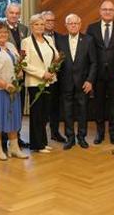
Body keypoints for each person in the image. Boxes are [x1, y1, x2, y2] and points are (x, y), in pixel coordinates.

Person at [0, 20, 29, 160]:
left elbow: (17, 63)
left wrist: (19, 71)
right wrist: (5, 85)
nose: (2, 35)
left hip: (13, 89)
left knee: (12, 117)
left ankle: (14, 148)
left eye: (5, 32)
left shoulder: (11, 46)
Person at [86, 0, 114, 144]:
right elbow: (88, 52)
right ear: (100, 11)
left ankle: (113, 133)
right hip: (97, 74)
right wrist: (89, 75)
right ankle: (100, 133)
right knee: (98, 105)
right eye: (105, 9)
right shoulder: (92, 28)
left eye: (110, 9)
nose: (107, 12)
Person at [55, 14, 97, 150]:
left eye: (76, 23)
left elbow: (94, 63)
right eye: (70, 23)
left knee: (83, 111)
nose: (73, 25)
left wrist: (90, 80)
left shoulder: (89, 40)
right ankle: (70, 138)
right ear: (66, 25)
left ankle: (82, 137)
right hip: (65, 82)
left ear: (80, 25)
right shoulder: (59, 40)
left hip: (83, 83)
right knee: (67, 112)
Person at [22, 14, 59, 153]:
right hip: (35, 82)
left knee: (45, 113)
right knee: (37, 114)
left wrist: (53, 69)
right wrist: (42, 73)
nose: (40, 27)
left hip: (50, 81)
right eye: (36, 24)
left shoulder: (49, 39)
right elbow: (24, 63)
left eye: (42, 24)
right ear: (31, 26)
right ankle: (37, 144)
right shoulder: (26, 42)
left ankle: (43, 142)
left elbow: (56, 56)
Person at [42, 10, 66, 143]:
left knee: (55, 107)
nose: (50, 23)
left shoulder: (61, 37)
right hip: (42, 77)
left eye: (52, 20)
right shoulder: (36, 37)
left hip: (58, 78)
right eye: (47, 20)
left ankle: (55, 132)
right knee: (43, 107)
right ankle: (41, 135)